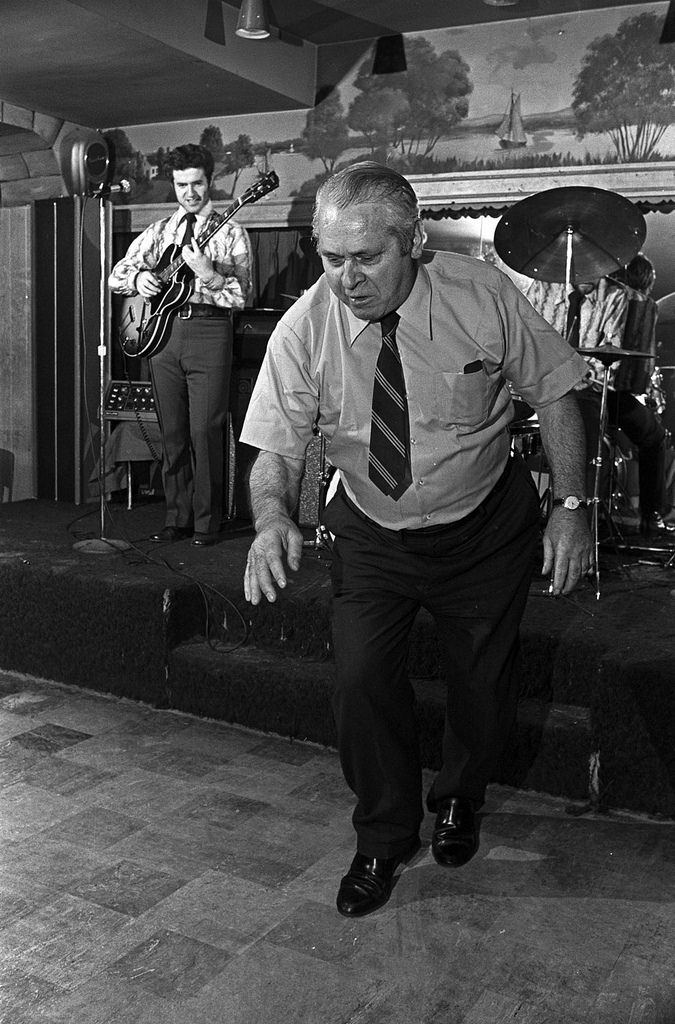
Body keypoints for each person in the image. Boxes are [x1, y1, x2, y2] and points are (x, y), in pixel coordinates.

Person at [240, 163, 593, 918]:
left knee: (481, 683)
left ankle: (460, 799)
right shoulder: (305, 326)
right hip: (371, 530)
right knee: (360, 680)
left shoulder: (481, 294)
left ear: (413, 243)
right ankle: (384, 835)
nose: (346, 278)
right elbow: (276, 449)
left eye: (365, 258)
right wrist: (272, 518)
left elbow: (557, 391)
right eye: (330, 257)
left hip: (484, 528)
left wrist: (570, 505)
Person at [109, 143, 251, 546]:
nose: (189, 192)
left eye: (197, 183)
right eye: (181, 184)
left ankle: (207, 524)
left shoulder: (232, 231)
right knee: (172, 432)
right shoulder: (160, 231)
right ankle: (178, 517)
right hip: (162, 335)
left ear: (210, 181)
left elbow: (244, 296)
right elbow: (116, 276)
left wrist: (210, 274)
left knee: (205, 431)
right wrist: (138, 281)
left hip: (209, 333)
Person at [525, 260, 671, 536]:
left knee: (649, 434)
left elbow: (614, 366)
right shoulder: (543, 290)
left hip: (597, 390)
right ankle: (648, 513)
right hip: (550, 387)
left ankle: (647, 515)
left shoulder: (616, 298)